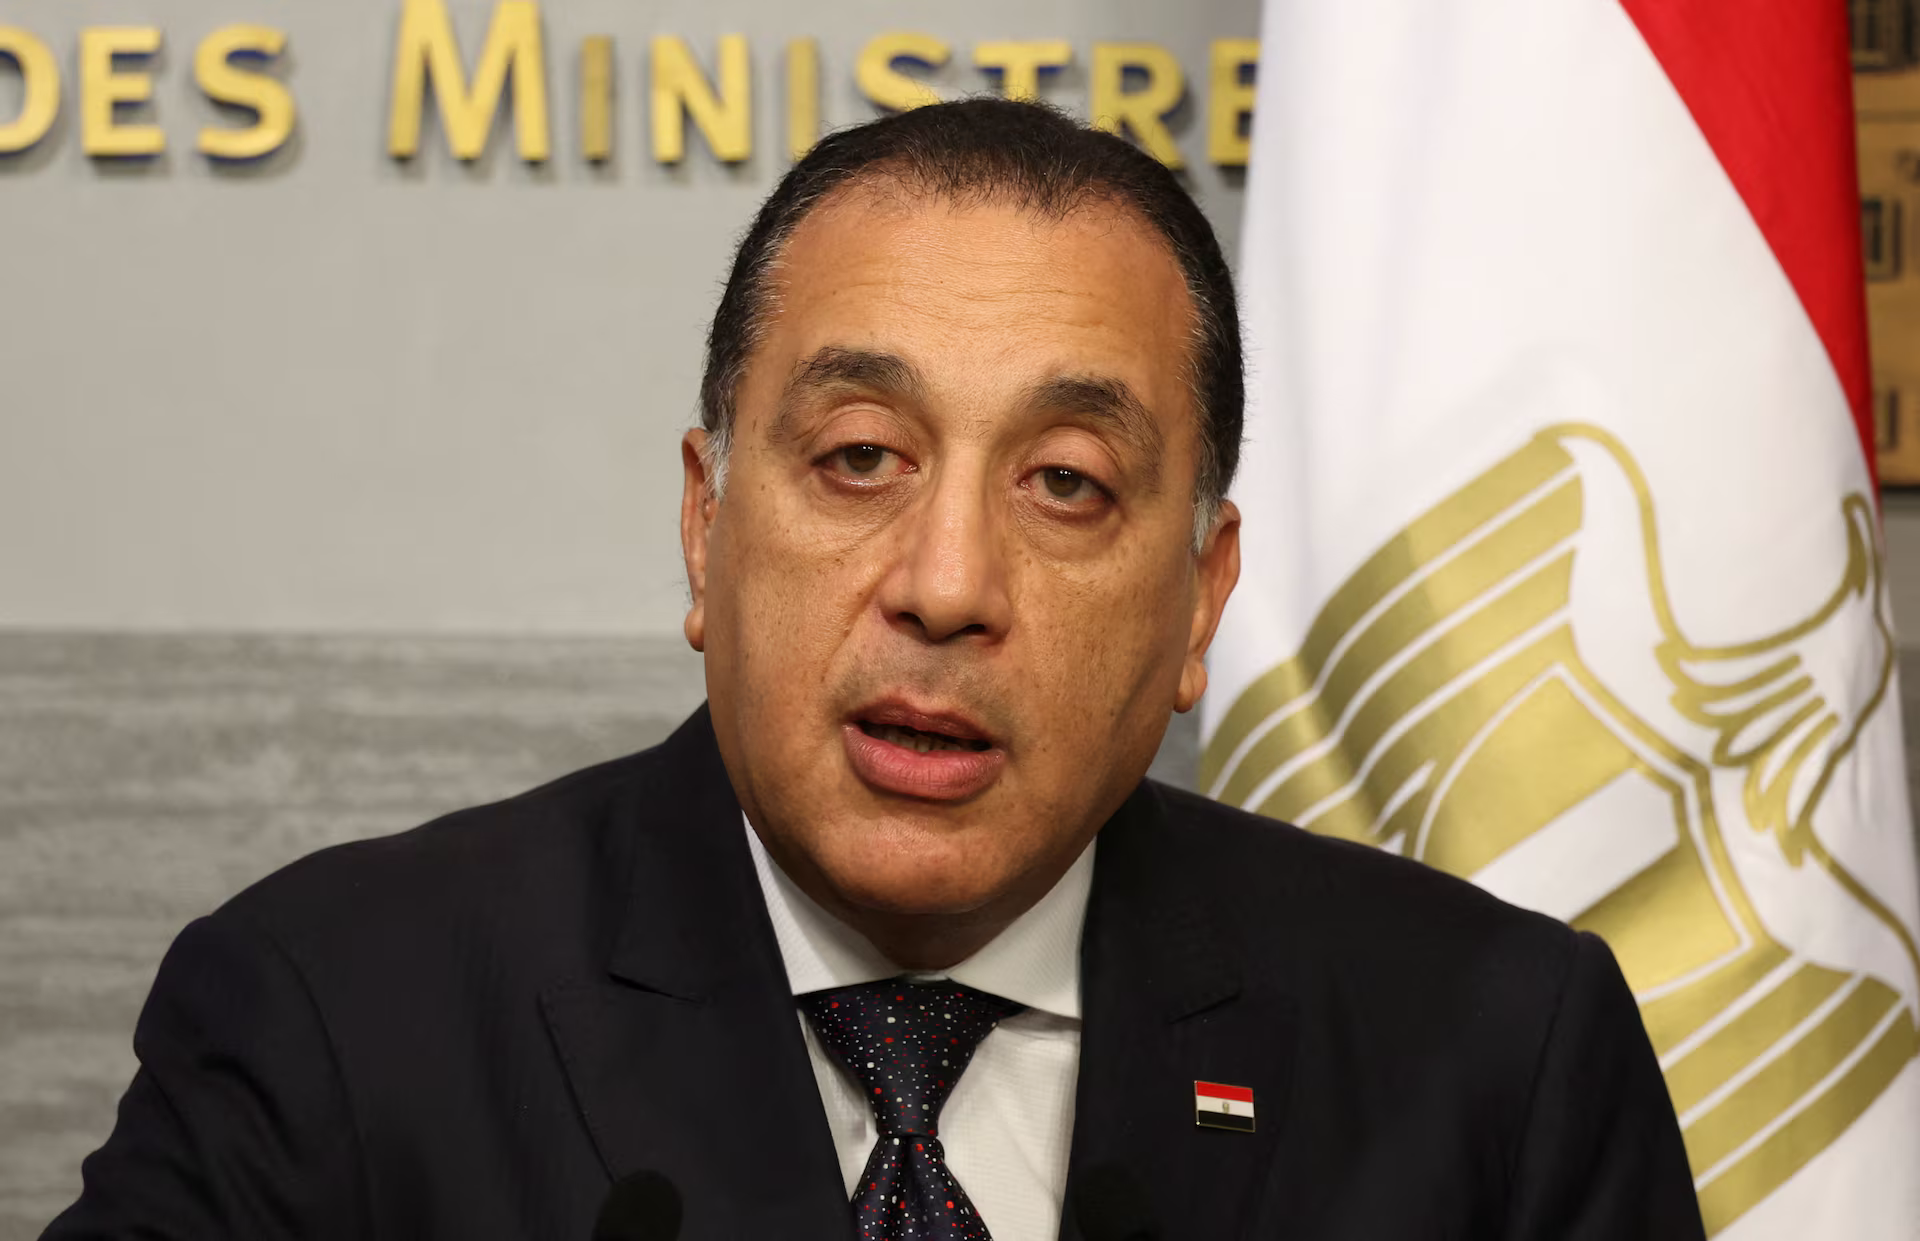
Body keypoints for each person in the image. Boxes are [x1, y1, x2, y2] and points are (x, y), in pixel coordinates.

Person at [42, 98, 1705, 1240]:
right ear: (706, 522)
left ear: (1201, 602)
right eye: (858, 459)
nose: (948, 586)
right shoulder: (338, 1022)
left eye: (1067, 484)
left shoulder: (1494, 1064)